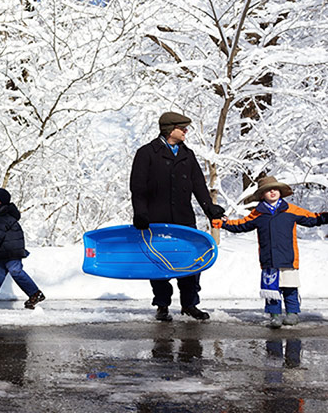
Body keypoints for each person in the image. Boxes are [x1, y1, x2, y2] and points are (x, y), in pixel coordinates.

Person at [130, 111, 225, 322]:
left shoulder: (187, 154)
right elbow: (138, 188)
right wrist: (141, 213)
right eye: (182, 128)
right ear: (169, 129)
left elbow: (199, 185)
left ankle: (190, 304)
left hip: (184, 220)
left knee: (190, 262)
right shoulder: (146, 153)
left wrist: (209, 208)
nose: (186, 131)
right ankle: (162, 305)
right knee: (159, 263)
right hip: (156, 220)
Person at [212, 176, 327, 328]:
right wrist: (224, 223)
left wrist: (324, 217)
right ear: (262, 195)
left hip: (288, 257)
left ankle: (292, 313)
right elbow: (241, 225)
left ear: (280, 192)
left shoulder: (291, 210)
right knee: (271, 289)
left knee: (290, 287)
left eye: (275, 189)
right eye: (268, 190)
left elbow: (311, 219)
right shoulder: (257, 214)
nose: (272, 192)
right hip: (269, 258)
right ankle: (275, 315)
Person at [0, 188, 45, 309]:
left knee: (15, 270)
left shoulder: (2, 214)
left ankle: (36, 294)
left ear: (0, 200)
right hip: (3, 250)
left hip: (11, 250)